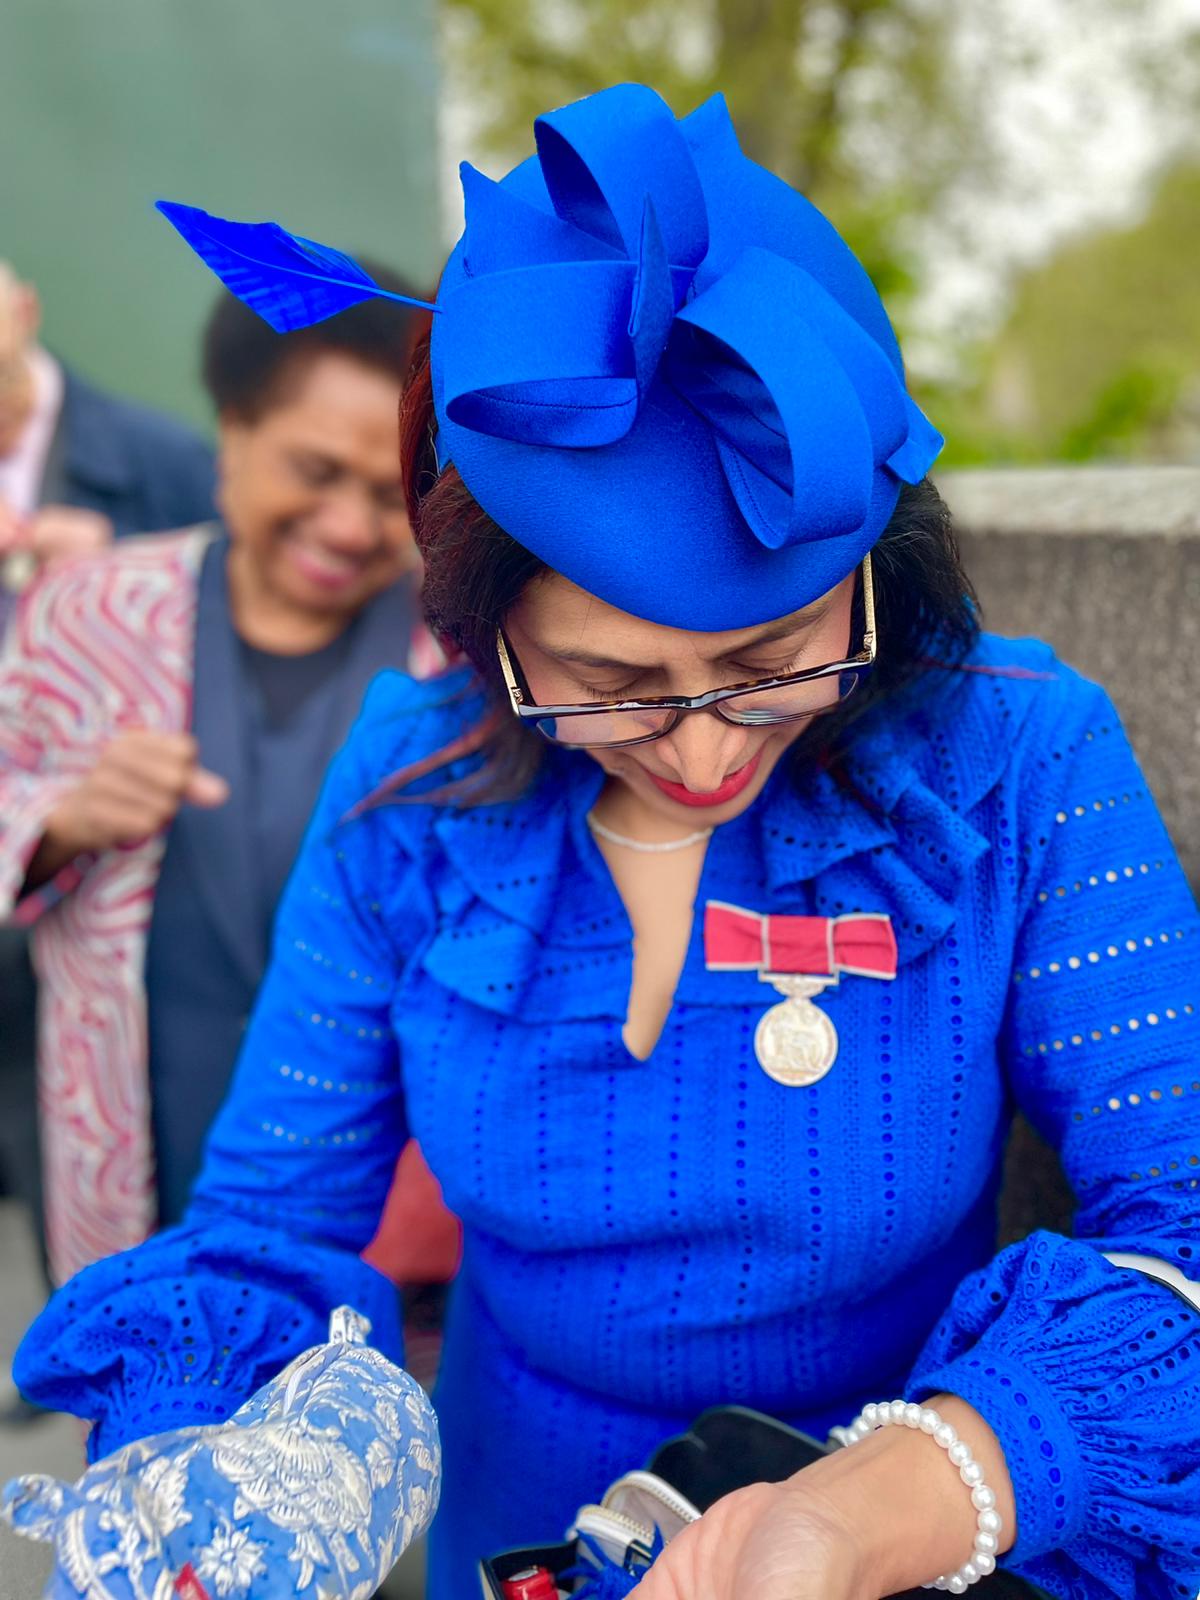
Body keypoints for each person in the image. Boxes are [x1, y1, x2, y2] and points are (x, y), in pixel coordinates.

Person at [13, 85, 1200, 1600]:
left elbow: (1184, 1216)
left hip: (911, 1537)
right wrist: (203, 1484)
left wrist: (889, 1507)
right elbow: (263, 1231)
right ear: (481, 625)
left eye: (776, 657)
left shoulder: (1022, 762)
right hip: (510, 1533)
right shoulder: (411, 788)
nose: (706, 749)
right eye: (613, 686)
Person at [0, 274, 443, 1287]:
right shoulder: (86, 612)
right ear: (232, 434)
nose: (345, 525)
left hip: (388, 1166)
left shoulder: (457, 648)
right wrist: (61, 818)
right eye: (314, 471)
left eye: (388, 497)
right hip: (136, 1117)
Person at [0, 261, 218, 1298]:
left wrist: (111, 574)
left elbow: (239, 612)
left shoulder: (162, 458)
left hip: (117, 922)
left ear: (28, 307)